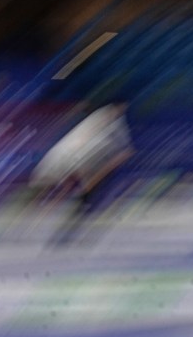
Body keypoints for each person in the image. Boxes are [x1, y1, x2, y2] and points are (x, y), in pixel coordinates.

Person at [31, 101, 134, 244]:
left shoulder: (111, 129)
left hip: (90, 169)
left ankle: (68, 233)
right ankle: (64, 232)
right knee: (78, 200)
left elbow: (122, 152)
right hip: (81, 167)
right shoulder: (98, 127)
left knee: (84, 204)